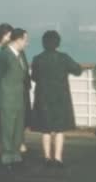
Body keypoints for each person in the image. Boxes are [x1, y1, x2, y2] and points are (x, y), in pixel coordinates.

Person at [30, 30, 82, 167]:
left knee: (45, 129)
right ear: (58, 43)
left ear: (43, 43)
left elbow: (34, 77)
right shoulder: (64, 58)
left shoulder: (37, 58)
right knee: (59, 129)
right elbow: (78, 70)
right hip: (61, 97)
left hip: (43, 97)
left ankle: (47, 157)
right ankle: (58, 158)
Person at [0, 28, 30, 171]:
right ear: (18, 40)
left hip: (19, 97)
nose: (27, 43)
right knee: (7, 128)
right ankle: (7, 156)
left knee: (18, 128)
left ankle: (16, 154)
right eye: (26, 40)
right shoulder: (4, 56)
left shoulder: (20, 55)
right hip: (7, 98)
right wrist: (3, 92)